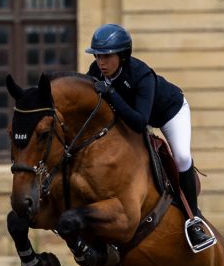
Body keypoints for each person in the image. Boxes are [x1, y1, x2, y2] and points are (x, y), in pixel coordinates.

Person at [83, 23, 216, 253]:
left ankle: (193, 219)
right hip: (129, 118)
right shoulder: (95, 72)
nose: (100, 62)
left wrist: (112, 93)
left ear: (122, 55)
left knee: (182, 157)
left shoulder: (141, 75)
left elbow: (139, 122)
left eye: (106, 56)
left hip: (169, 112)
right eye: (97, 56)